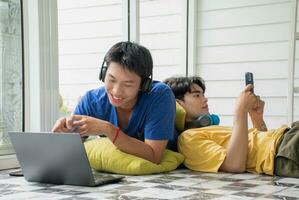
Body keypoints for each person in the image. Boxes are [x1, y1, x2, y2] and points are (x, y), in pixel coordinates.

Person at [52, 41, 176, 164]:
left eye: (128, 84)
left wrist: (108, 129)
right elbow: (67, 151)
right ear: (103, 74)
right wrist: (64, 133)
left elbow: (154, 156)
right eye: (111, 80)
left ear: (144, 84)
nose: (116, 91)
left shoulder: (159, 95)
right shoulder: (92, 100)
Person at [164, 76, 299, 177]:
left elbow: (259, 146)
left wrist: (257, 118)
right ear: (178, 104)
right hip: (284, 149)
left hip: (285, 140)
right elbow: (234, 165)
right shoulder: (187, 139)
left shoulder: (209, 129)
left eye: (203, 94)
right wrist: (240, 111)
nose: (205, 99)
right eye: (197, 95)